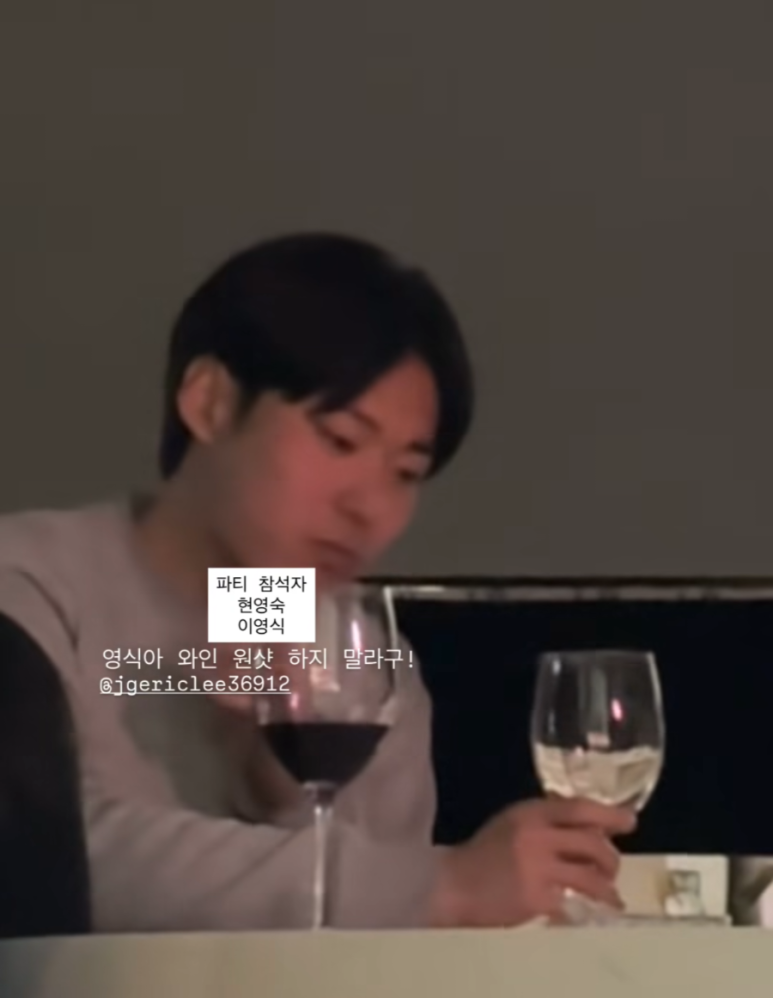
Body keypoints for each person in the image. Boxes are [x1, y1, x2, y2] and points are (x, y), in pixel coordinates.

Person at [0, 233, 635, 932]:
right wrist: (438, 885)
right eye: (340, 441)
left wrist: (280, 786)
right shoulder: (31, 584)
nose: (370, 507)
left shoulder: (362, 669)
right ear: (210, 402)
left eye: (405, 473)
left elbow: (358, 955)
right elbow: (45, 858)